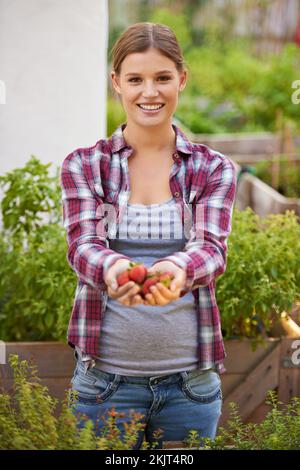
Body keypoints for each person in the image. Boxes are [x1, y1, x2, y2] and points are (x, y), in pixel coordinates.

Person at [60, 22, 237, 450]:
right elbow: (84, 246)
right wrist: (117, 269)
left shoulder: (213, 168)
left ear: (182, 79)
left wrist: (176, 270)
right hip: (104, 384)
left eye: (162, 78)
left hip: (190, 387)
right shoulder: (85, 165)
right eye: (136, 79)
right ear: (117, 83)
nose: (149, 92)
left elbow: (211, 249)